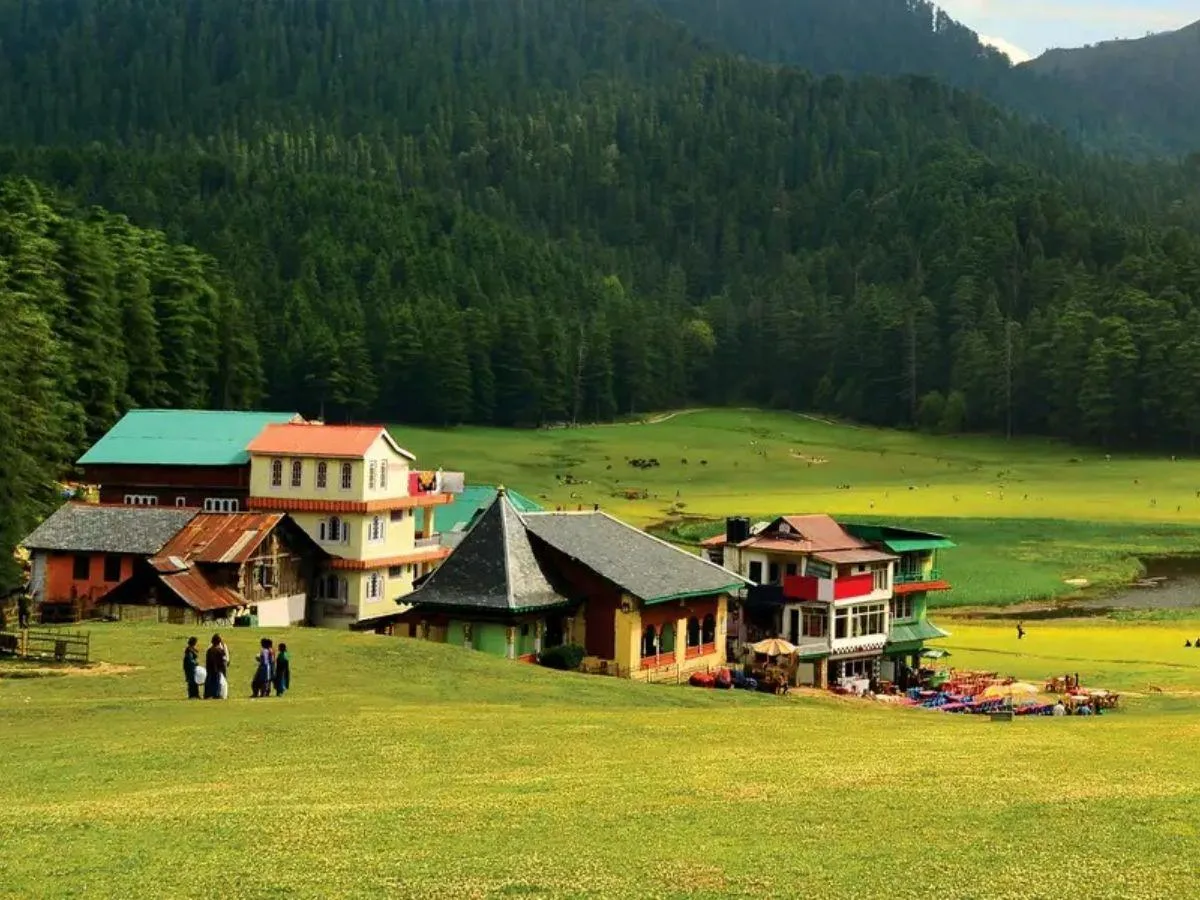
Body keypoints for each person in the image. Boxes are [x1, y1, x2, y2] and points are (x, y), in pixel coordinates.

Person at [204, 634, 227, 700]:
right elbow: (223, 661)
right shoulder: (220, 651)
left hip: (210, 669)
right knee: (217, 682)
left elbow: (207, 661)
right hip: (217, 669)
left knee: (209, 681)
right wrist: (224, 671)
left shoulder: (209, 650)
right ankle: (216, 694)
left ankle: (207, 694)